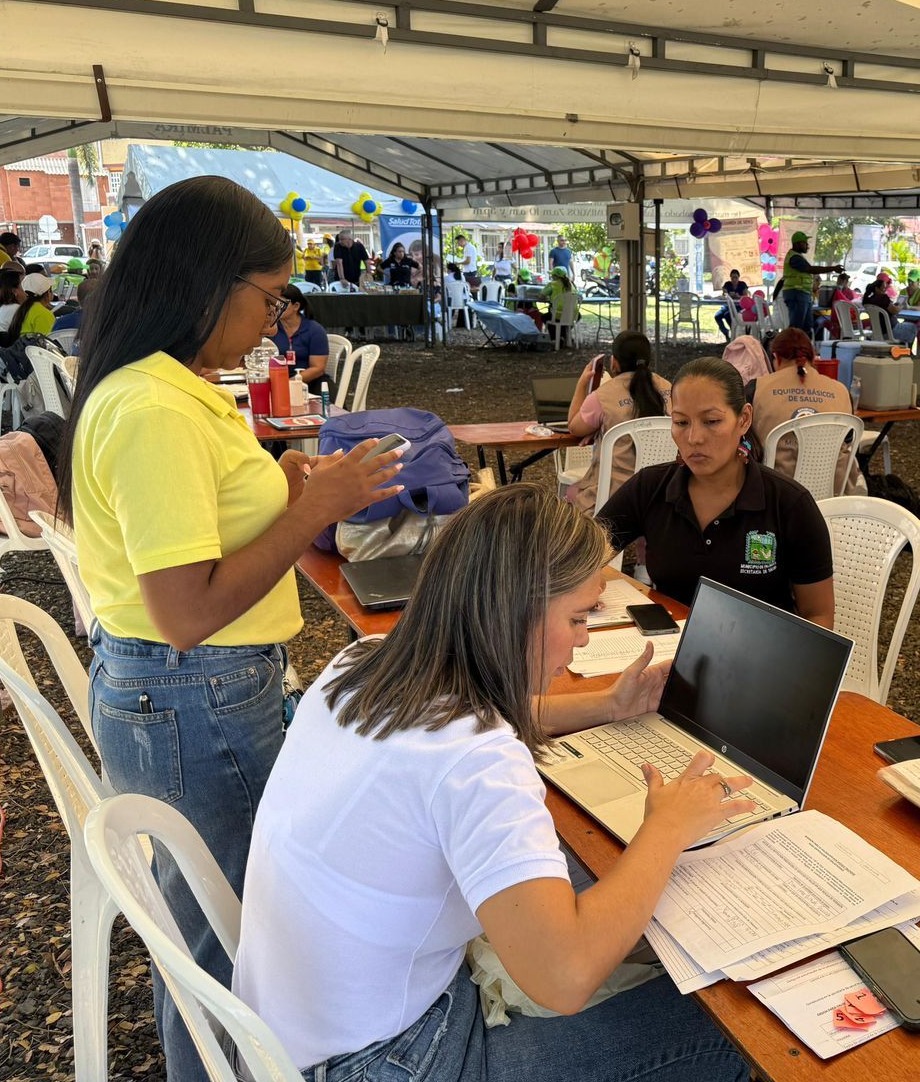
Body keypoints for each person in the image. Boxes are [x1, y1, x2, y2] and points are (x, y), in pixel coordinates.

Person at [230, 485, 752, 1081]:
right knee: (725, 1031)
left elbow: (467, 723)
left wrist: (606, 704)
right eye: (578, 617)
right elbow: (565, 978)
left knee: (580, 888)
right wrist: (667, 827)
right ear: (515, 612)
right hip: (382, 1062)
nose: (584, 639)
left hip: (284, 1038)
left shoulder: (366, 662)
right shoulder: (476, 762)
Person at [58, 175, 401, 1080]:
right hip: (195, 693)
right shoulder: (155, 410)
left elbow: (188, 559)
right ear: (207, 285)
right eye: (269, 296)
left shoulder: (170, 391)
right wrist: (309, 508)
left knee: (223, 923)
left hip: (193, 693)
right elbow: (186, 613)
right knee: (227, 941)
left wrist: (281, 489)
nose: (274, 318)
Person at [599, 357, 835, 624]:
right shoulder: (650, 488)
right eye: (681, 422)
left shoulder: (789, 504)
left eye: (711, 421)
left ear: (744, 419)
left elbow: (818, 615)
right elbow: (581, 558)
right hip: (666, 653)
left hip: (757, 657)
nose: (694, 438)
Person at [750, 328, 866, 497]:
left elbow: (744, 440)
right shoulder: (840, 391)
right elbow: (847, 440)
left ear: (776, 357)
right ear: (813, 358)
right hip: (831, 494)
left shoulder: (756, 389)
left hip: (774, 496)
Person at [567, 331, 671, 513]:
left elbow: (575, 428)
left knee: (571, 491)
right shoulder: (670, 389)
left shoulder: (603, 396)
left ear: (614, 362)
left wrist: (582, 383)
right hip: (662, 494)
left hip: (612, 497)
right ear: (649, 360)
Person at [269, 283, 331, 392]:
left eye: (281, 303)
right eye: (274, 303)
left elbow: (318, 368)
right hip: (275, 381)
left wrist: (290, 383)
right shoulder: (271, 328)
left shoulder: (314, 330)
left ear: (296, 306)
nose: (275, 307)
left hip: (308, 383)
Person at [781, 230, 839, 336]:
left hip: (803, 293)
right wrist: (833, 268)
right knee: (796, 327)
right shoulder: (794, 258)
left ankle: (805, 349)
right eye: (805, 243)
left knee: (807, 326)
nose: (807, 246)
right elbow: (810, 269)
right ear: (798, 243)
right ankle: (790, 350)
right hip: (796, 293)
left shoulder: (798, 257)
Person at [0, 268, 57, 343]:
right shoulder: (42, 314)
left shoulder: (23, 308)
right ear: (48, 293)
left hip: (19, 349)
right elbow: (47, 344)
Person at [860, 275, 898, 341]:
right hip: (888, 330)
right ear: (877, 289)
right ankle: (907, 349)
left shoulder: (867, 300)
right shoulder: (883, 298)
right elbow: (895, 311)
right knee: (913, 328)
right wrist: (900, 306)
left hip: (875, 329)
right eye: (883, 288)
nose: (885, 290)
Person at [715, 268, 750, 339]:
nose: (734, 279)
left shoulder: (742, 284)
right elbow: (724, 294)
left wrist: (739, 296)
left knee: (727, 315)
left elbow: (746, 296)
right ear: (730, 277)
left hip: (739, 306)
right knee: (717, 316)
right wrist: (727, 295)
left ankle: (734, 331)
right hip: (727, 306)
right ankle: (726, 332)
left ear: (738, 277)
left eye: (736, 277)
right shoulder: (727, 284)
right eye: (732, 277)